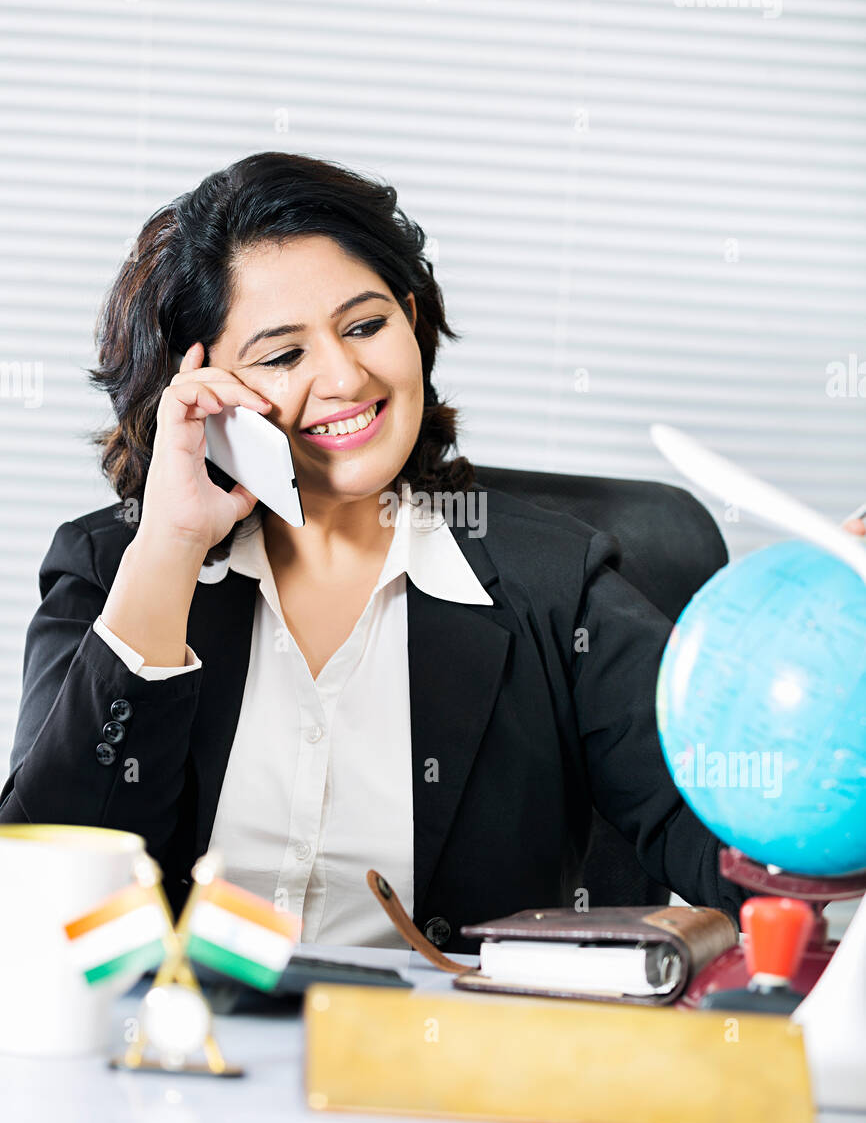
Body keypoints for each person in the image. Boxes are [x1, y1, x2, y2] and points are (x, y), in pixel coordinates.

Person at [2, 152, 766, 947]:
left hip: (441, 1061)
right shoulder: (113, 570)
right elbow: (39, 899)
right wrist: (170, 545)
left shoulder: (555, 583)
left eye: (366, 326)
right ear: (201, 392)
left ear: (410, 318)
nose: (344, 376)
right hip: (170, 1053)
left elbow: (737, 847)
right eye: (283, 354)